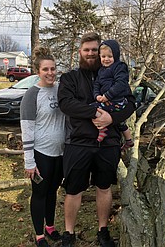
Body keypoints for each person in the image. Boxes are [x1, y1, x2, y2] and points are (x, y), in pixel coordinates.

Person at [58, 32, 136, 247]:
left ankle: (103, 231)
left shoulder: (114, 75)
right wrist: (94, 113)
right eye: (87, 50)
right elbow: (66, 104)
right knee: (73, 190)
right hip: (78, 143)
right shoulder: (70, 78)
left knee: (104, 187)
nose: (91, 53)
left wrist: (112, 117)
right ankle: (68, 233)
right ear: (80, 52)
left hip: (108, 143)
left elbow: (130, 103)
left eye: (95, 50)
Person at [20, 47, 65, 247]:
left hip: (60, 153)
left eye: (53, 69)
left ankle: (50, 227)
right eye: (46, 69)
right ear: (38, 71)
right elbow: (27, 129)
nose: (50, 73)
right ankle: (39, 234)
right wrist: (29, 161)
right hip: (41, 154)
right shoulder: (32, 95)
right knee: (39, 193)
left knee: (53, 191)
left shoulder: (61, 90)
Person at [92, 39, 134, 150]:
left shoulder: (119, 67)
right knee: (120, 123)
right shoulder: (101, 71)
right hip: (107, 100)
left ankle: (102, 129)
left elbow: (121, 84)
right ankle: (129, 140)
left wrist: (107, 96)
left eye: (109, 56)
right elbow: (96, 84)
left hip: (117, 100)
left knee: (92, 108)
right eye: (103, 57)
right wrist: (96, 95)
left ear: (115, 55)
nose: (106, 59)